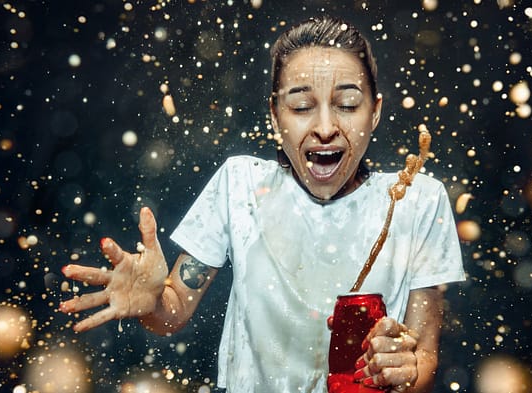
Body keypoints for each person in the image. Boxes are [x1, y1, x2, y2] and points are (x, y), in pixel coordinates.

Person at [59, 16, 465, 393]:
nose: (325, 128)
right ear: (274, 116)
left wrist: (404, 369)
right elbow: (173, 311)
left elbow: (423, 355)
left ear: (374, 113)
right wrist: (149, 302)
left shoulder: (418, 201)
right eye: (302, 106)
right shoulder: (241, 186)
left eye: (347, 104)